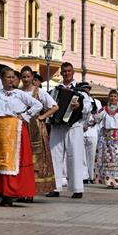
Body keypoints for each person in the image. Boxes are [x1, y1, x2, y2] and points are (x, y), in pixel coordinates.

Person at [0, 67, 42, 207]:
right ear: (2, 79)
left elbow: (37, 104)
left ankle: (11, 194)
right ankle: (3, 193)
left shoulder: (19, 93)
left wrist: (24, 116)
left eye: (13, 77)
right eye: (8, 77)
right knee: (0, 162)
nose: (11, 80)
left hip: (14, 130)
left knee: (13, 162)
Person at [47, 63, 90, 199]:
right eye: (64, 71)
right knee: (55, 155)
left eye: (69, 71)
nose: (66, 73)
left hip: (74, 126)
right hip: (58, 126)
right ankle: (55, 187)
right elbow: (49, 104)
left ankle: (77, 188)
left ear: (73, 72)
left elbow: (88, 108)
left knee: (75, 156)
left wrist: (79, 105)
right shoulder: (55, 90)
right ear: (61, 73)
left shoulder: (81, 91)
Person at [20, 68, 57, 198]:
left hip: (36, 126)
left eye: (28, 77)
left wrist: (43, 116)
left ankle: (33, 190)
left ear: (32, 77)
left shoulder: (39, 92)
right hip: (22, 126)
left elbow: (54, 107)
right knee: (22, 156)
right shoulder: (18, 92)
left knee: (36, 158)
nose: (26, 79)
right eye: (23, 77)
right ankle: (22, 188)